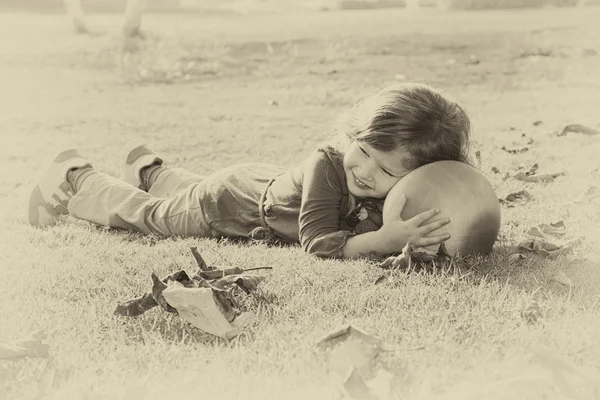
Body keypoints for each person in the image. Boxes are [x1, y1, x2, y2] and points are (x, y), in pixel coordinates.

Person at [27, 83, 472, 259]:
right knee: (153, 217)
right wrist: (383, 241)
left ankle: (147, 168)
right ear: (352, 133)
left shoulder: (400, 193)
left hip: (261, 184)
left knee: (178, 191)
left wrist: (418, 241)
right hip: (229, 205)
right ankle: (77, 176)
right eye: (364, 151)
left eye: (387, 171)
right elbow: (317, 244)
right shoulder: (329, 164)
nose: (367, 173)